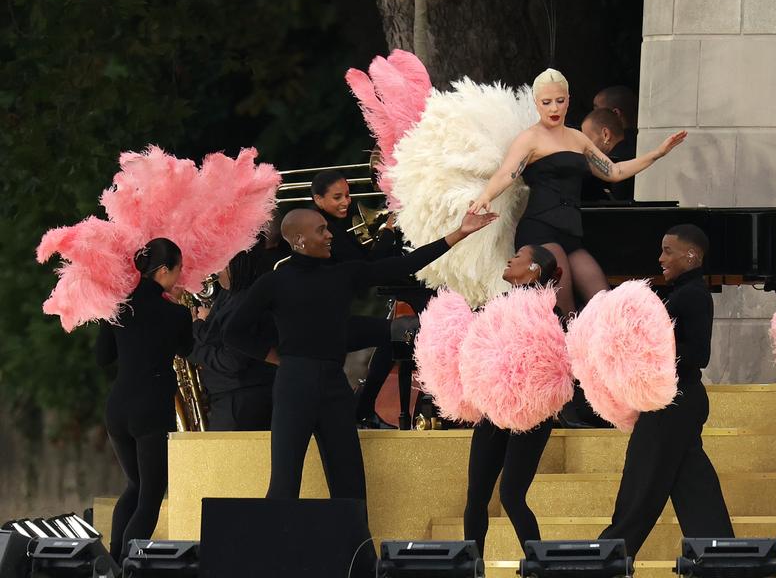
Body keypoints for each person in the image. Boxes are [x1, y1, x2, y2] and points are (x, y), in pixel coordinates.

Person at [224, 208, 495, 512]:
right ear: (298, 239)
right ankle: (273, 558)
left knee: (350, 483)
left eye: (328, 229)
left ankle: (358, 558)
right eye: (321, 230)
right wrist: (278, 360)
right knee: (285, 483)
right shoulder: (273, 282)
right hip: (294, 384)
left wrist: (460, 232)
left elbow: (403, 264)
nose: (329, 236)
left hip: (332, 383)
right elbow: (233, 331)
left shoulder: (342, 274)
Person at [469, 68, 686, 315]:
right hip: (540, 229)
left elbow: (613, 172)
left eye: (559, 101)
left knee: (603, 303)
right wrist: (485, 196)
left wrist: (657, 153)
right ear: (536, 103)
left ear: (568, 100)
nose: (554, 109)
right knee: (565, 310)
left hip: (571, 234)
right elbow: (507, 173)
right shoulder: (529, 139)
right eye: (546, 102)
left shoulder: (578, 139)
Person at [598, 224, 734, 557]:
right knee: (693, 487)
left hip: (674, 404)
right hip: (677, 402)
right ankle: (722, 557)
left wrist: (648, 351)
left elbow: (699, 355)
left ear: (691, 255)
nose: (660, 258)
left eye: (668, 251)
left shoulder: (693, 295)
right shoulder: (683, 293)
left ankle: (606, 558)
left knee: (640, 486)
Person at [95, 238, 194, 562]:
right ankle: (127, 566)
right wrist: (193, 316)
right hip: (150, 409)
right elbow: (188, 349)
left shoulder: (119, 307)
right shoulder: (174, 314)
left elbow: (102, 357)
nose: (180, 277)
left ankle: (111, 562)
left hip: (118, 407)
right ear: (164, 271)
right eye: (178, 270)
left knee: (135, 486)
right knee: (150, 496)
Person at [464, 244, 563, 557]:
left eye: (518, 255)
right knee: (476, 497)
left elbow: (553, 365)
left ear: (534, 268)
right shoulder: (497, 305)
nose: (510, 259)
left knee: (511, 494)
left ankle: (539, 566)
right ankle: (472, 568)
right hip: (493, 411)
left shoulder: (549, 312)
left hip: (532, 414)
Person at [311, 169, 417, 429]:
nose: (346, 202)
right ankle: (364, 407)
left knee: (389, 335)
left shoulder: (330, 226)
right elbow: (368, 268)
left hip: (329, 319)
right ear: (317, 199)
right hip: (327, 324)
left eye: (347, 195)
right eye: (337, 197)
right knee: (395, 333)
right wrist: (388, 231)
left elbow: (363, 262)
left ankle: (364, 406)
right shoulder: (325, 230)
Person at [189, 251, 277, 431]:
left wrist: (192, 347)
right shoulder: (230, 294)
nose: (216, 272)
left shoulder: (247, 301)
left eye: (221, 265)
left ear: (236, 265)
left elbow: (230, 361)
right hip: (230, 396)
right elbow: (216, 335)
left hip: (241, 399)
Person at [580, 108, 633, 202]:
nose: (584, 147)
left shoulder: (608, 165)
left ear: (606, 134)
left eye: (587, 140)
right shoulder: (635, 152)